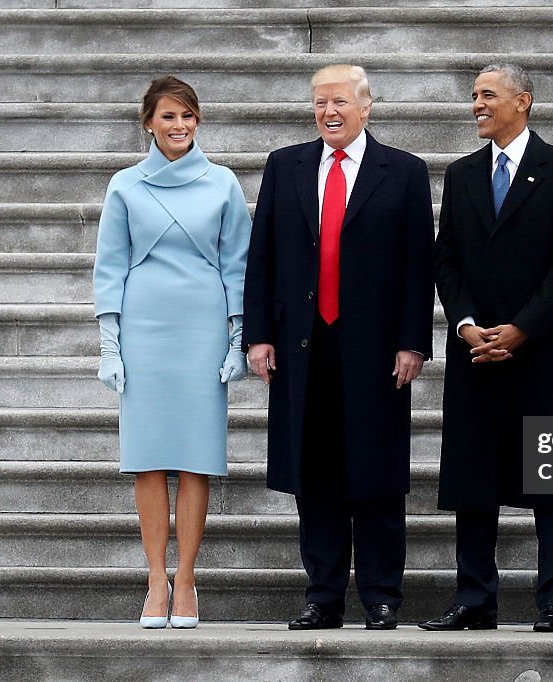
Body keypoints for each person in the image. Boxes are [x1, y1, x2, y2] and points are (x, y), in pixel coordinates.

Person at [243, 64, 434, 631]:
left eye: (340, 102)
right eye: (320, 102)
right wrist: (258, 334)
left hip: (376, 350)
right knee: (316, 474)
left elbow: (418, 266)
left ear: (366, 107)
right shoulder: (286, 165)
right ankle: (323, 595)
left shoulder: (403, 171)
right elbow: (263, 256)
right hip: (304, 346)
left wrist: (412, 342)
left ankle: (380, 596)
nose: (329, 112)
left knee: (375, 475)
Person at [420, 63, 553, 633]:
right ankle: (474, 598)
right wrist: (467, 324)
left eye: (487, 95)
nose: (476, 104)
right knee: (474, 480)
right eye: (473, 96)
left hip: (539, 351)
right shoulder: (464, 173)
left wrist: (521, 329)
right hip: (475, 352)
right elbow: (445, 260)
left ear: (523, 101)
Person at [92, 75, 250, 629]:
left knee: (195, 457)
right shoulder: (125, 186)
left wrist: (236, 339)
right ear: (148, 123)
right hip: (145, 329)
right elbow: (110, 266)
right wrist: (110, 344)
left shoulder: (223, 183)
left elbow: (239, 265)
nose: (179, 126)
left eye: (187, 116)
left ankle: (187, 581)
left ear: (197, 120)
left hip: (202, 329)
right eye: (168, 117)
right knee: (149, 459)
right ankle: (155, 581)